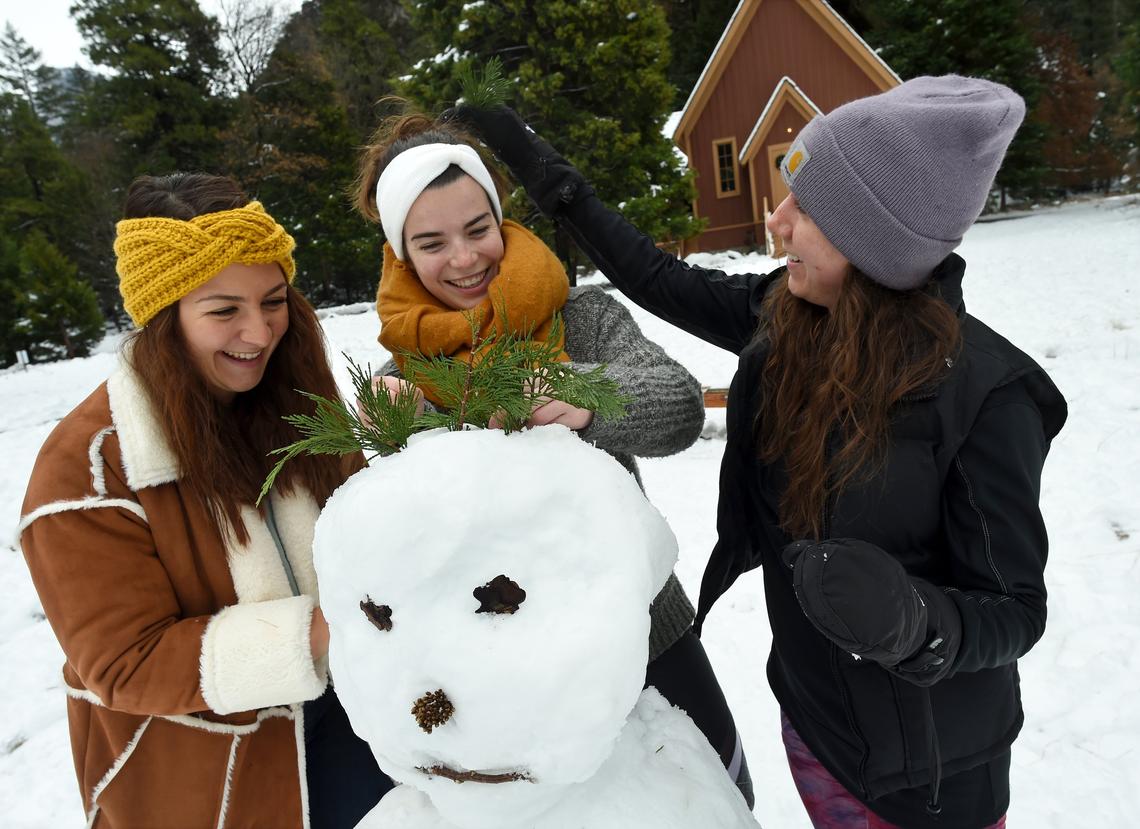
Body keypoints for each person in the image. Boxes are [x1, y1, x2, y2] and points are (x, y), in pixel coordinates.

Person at [451, 75, 1068, 829]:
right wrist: (540, 169)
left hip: (929, 779)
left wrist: (918, 622)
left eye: (804, 209)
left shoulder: (986, 395)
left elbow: (1016, 607)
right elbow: (653, 275)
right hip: (813, 723)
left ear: (875, 239)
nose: (776, 224)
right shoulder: (787, 318)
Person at [352, 108, 755, 807]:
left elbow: (680, 406)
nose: (464, 257)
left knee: (716, 793)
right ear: (401, 253)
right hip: (501, 667)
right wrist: (397, 440)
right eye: (432, 242)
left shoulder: (581, 318)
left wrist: (586, 398)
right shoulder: (403, 375)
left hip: (644, 629)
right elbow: (400, 548)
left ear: (503, 220)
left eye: (478, 229)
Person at [18, 174, 392, 829]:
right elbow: (123, 660)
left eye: (273, 299)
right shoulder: (88, 470)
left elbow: (362, 524)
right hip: (211, 773)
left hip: (351, 717)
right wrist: (321, 631)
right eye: (224, 310)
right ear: (164, 317)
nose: (260, 330)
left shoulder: (296, 401)